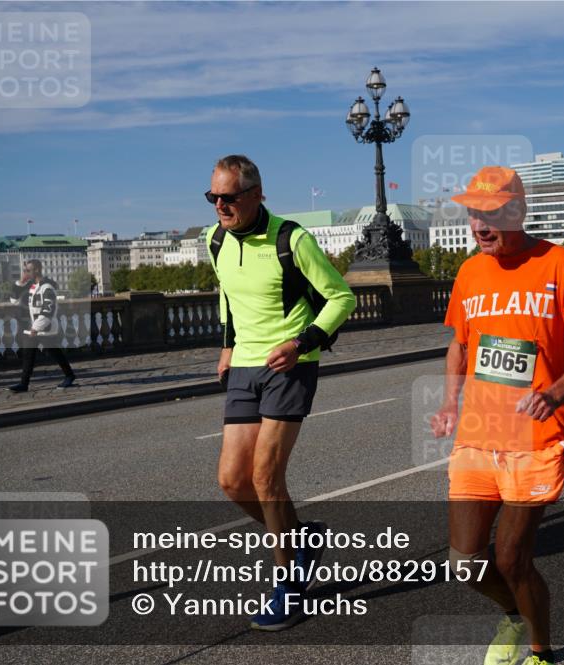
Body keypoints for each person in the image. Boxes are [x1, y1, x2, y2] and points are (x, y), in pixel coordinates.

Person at [430, 166, 564, 665]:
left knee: (512, 558)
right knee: (465, 562)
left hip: (536, 437)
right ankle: (515, 616)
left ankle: (539, 652)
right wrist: (448, 402)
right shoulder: (470, 272)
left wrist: (555, 393)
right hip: (477, 434)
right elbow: (459, 346)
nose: (479, 226)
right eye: (473, 214)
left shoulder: (560, 264)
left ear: (518, 211)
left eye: (490, 215)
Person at [205, 155, 355, 631]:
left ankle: (289, 586)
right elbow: (227, 294)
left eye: (229, 197)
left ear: (256, 194)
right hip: (244, 365)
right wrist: (227, 347)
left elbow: (342, 297)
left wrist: (301, 343)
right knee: (233, 481)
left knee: (266, 477)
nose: (220, 206)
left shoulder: (292, 239)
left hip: (291, 365)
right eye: (213, 198)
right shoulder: (215, 240)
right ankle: (301, 538)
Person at [7, 259, 76, 392]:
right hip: (33, 328)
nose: (26, 272)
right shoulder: (30, 286)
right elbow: (14, 300)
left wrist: (36, 327)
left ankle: (69, 375)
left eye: (28, 270)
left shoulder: (47, 287)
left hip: (45, 328)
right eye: (25, 270)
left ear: (37, 270)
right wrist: (21, 281)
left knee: (55, 352)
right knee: (28, 355)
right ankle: (24, 384)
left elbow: (49, 309)